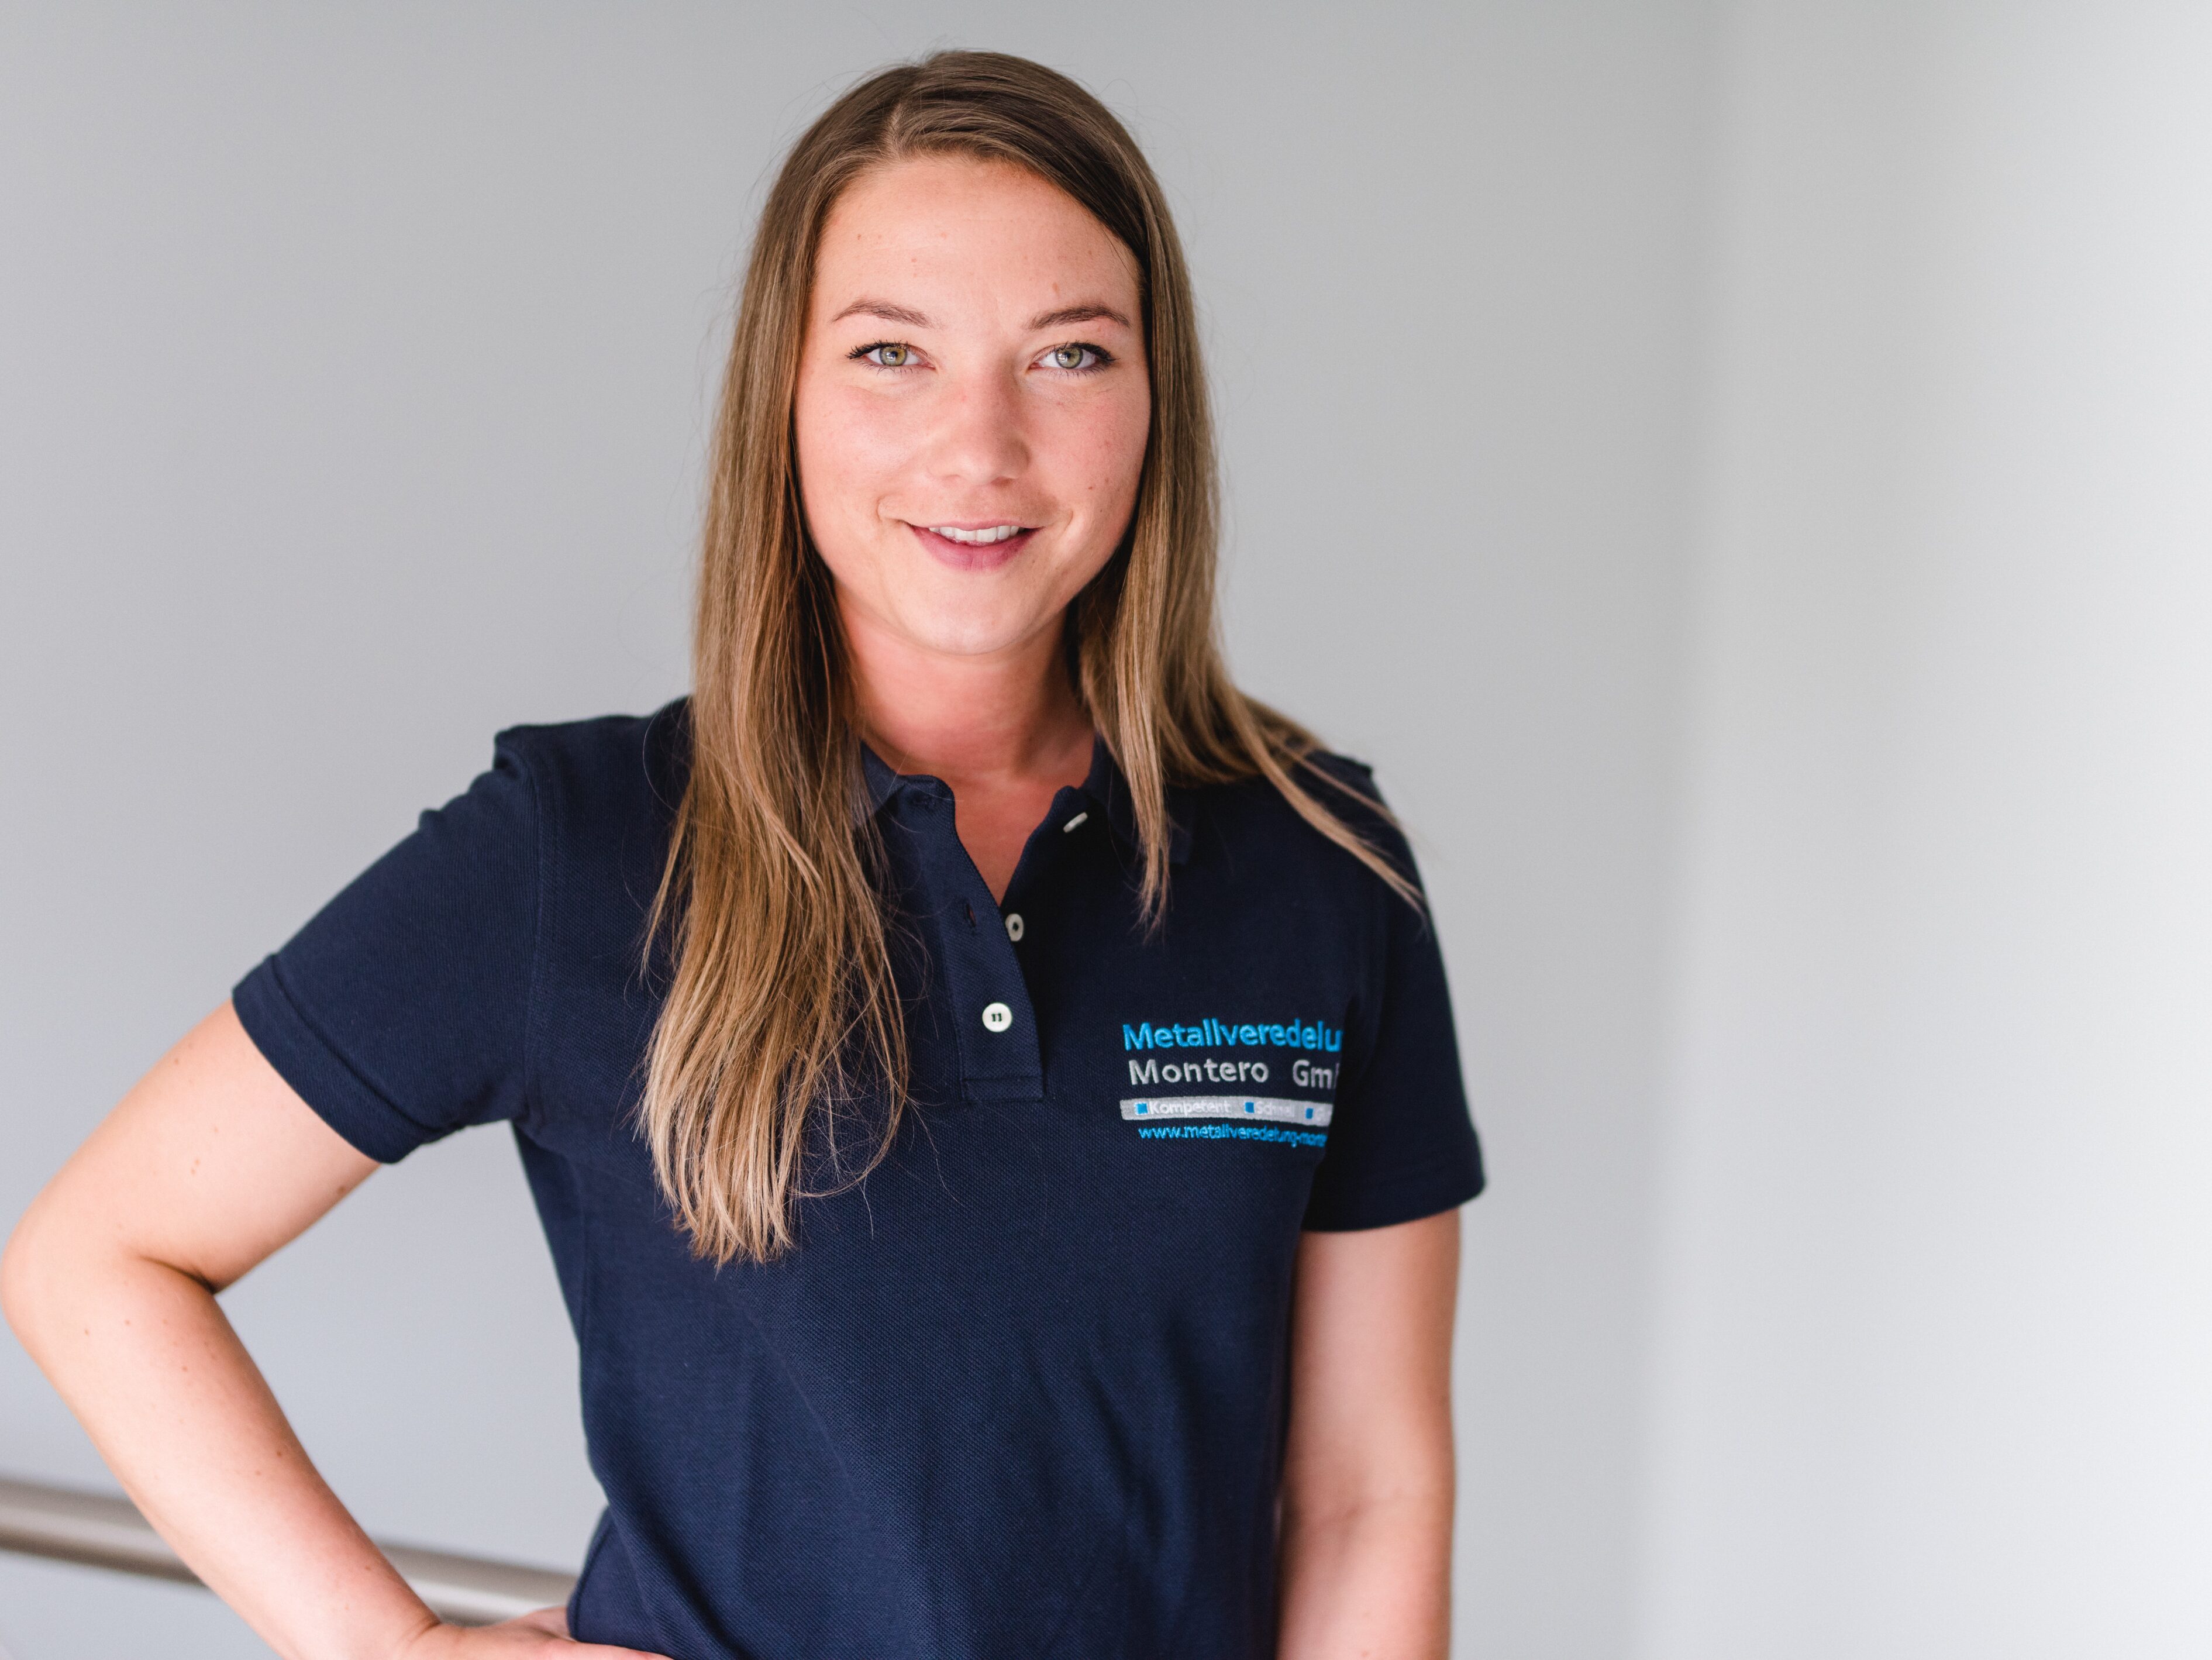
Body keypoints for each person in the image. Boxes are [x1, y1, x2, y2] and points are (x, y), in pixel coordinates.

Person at [1, 49, 1483, 1660]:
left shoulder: (1321, 863)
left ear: (1156, 400)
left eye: (1069, 353)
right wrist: (395, 1652)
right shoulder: (578, 848)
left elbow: (1369, 1496)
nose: (980, 446)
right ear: (785, 394)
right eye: (892, 353)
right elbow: (98, 1259)